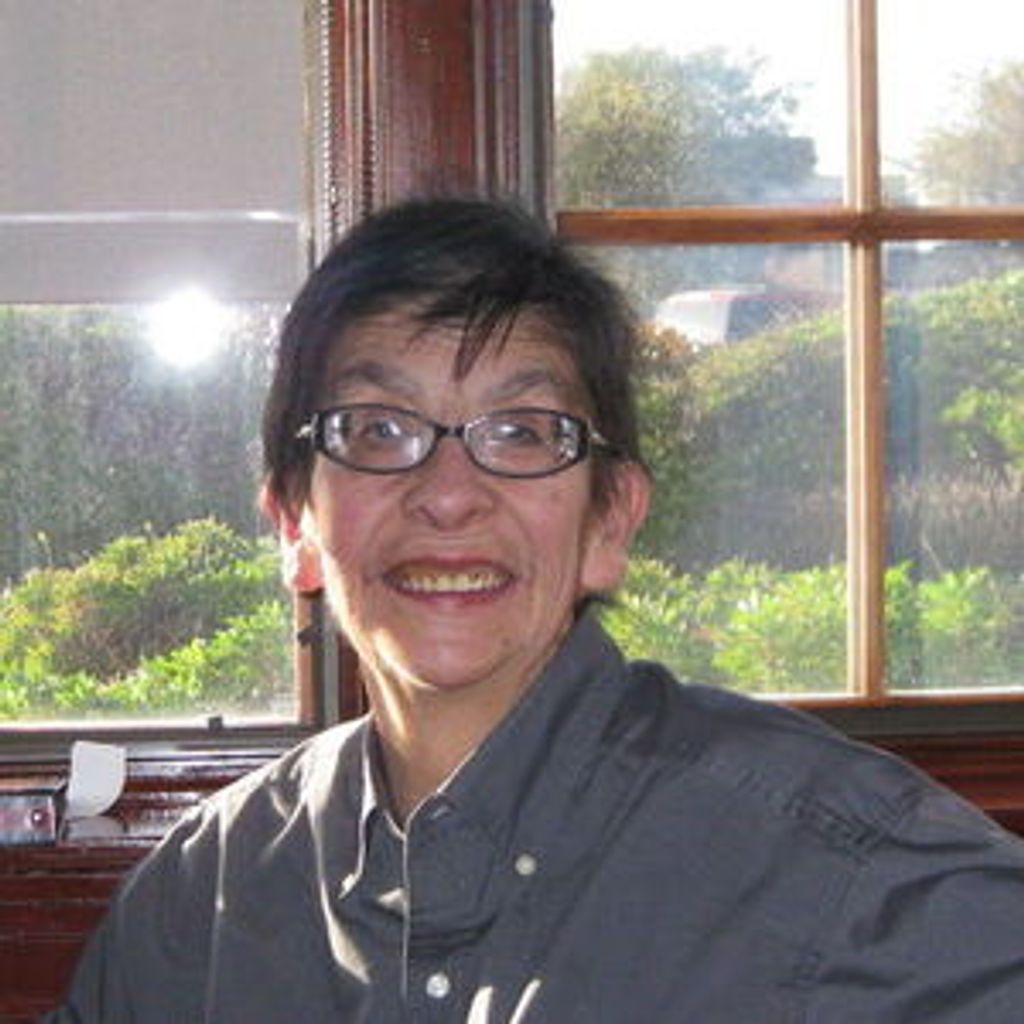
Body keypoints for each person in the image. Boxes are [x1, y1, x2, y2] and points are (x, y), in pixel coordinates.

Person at [47, 197, 1024, 1023]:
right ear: (294, 522)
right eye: (377, 430)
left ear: (611, 519)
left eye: (521, 432)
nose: (448, 495)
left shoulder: (841, 874)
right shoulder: (203, 900)